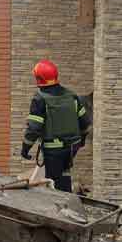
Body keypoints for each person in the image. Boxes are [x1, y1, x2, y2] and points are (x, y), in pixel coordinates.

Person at [21, 59, 91, 192]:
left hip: (53, 150)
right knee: (64, 174)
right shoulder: (72, 96)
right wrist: (81, 141)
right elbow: (85, 123)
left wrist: (25, 148)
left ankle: (59, 208)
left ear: (39, 79)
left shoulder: (40, 99)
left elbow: (34, 128)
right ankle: (68, 199)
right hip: (72, 147)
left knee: (53, 181)